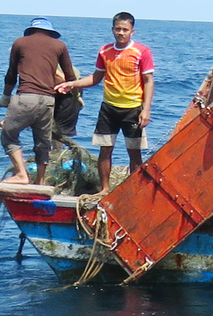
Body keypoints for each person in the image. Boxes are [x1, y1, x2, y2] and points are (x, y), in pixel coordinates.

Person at [57, 11, 155, 189]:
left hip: (133, 109)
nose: (121, 33)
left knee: (134, 153)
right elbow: (96, 77)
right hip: (109, 109)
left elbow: (149, 81)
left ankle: (134, 190)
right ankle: (104, 189)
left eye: (125, 29)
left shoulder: (141, 52)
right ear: (112, 30)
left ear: (132, 31)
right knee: (105, 151)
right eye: (118, 29)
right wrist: (73, 84)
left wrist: (146, 110)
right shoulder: (105, 51)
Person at [1, 17, 76, 184]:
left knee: (8, 135)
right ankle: (40, 181)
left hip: (25, 98)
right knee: (43, 143)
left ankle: (21, 174)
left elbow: (11, 74)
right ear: (50, 32)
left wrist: (5, 97)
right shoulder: (60, 46)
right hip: (48, 100)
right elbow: (70, 77)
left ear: (31, 30)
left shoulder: (19, 43)